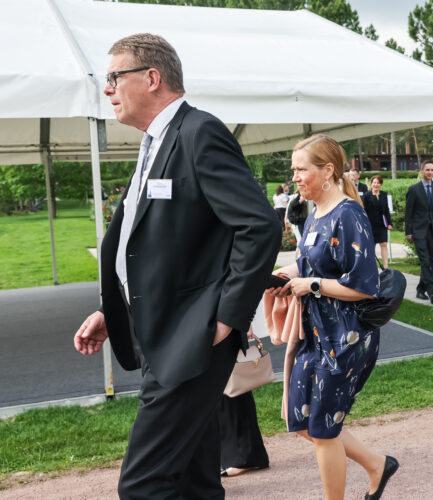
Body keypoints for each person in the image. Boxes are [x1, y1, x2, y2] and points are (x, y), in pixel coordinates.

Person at [72, 33, 281, 497]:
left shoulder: (198, 132)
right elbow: (162, 246)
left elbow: (258, 226)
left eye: (113, 77)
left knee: (143, 486)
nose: (107, 89)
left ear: (152, 77)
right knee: (194, 480)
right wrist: (116, 310)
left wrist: (228, 317)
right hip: (159, 331)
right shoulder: (155, 143)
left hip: (190, 338)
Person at [271, 134, 399, 500]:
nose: (294, 177)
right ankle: (377, 464)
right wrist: (289, 273)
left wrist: (310, 285)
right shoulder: (313, 214)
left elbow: (365, 286)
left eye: (301, 169)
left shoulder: (349, 214)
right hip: (315, 335)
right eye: (293, 169)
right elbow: (312, 261)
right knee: (302, 421)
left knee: (324, 429)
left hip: (346, 337)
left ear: (328, 171)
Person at [405, 160, 433, 304]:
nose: (430, 172)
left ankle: (420, 289)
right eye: (427, 169)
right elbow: (408, 213)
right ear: (422, 171)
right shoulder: (414, 189)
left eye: (432, 170)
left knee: (429, 261)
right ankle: (432, 292)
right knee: (425, 260)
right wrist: (408, 232)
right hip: (418, 231)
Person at [362, 174, 393, 268]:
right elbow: (364, 210)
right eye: (374, 182)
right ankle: (371, 266)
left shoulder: (384, 194)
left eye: (378, 183)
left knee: (383, 244)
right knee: (372, 245)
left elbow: (386, 209)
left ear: (381, 184)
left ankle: (386, 266)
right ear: (371, 184)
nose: (376, 184)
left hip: (382, 223)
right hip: (370, 224)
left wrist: (389, 223)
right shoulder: (366, 195)